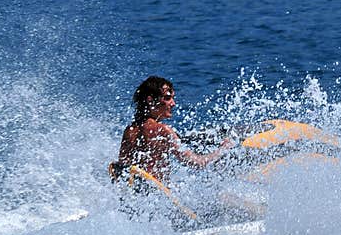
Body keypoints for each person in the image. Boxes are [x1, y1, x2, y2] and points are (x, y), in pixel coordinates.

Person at [110, 76, 265, 224]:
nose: (173, 103)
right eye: (167, 98)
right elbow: (198, 163)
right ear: (150, 100)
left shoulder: (129, 131)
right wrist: (223, 149)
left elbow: (123, 170)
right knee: (225, 198)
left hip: (139, 204)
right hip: (163, 207)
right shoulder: (163, 131)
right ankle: (265, 218)